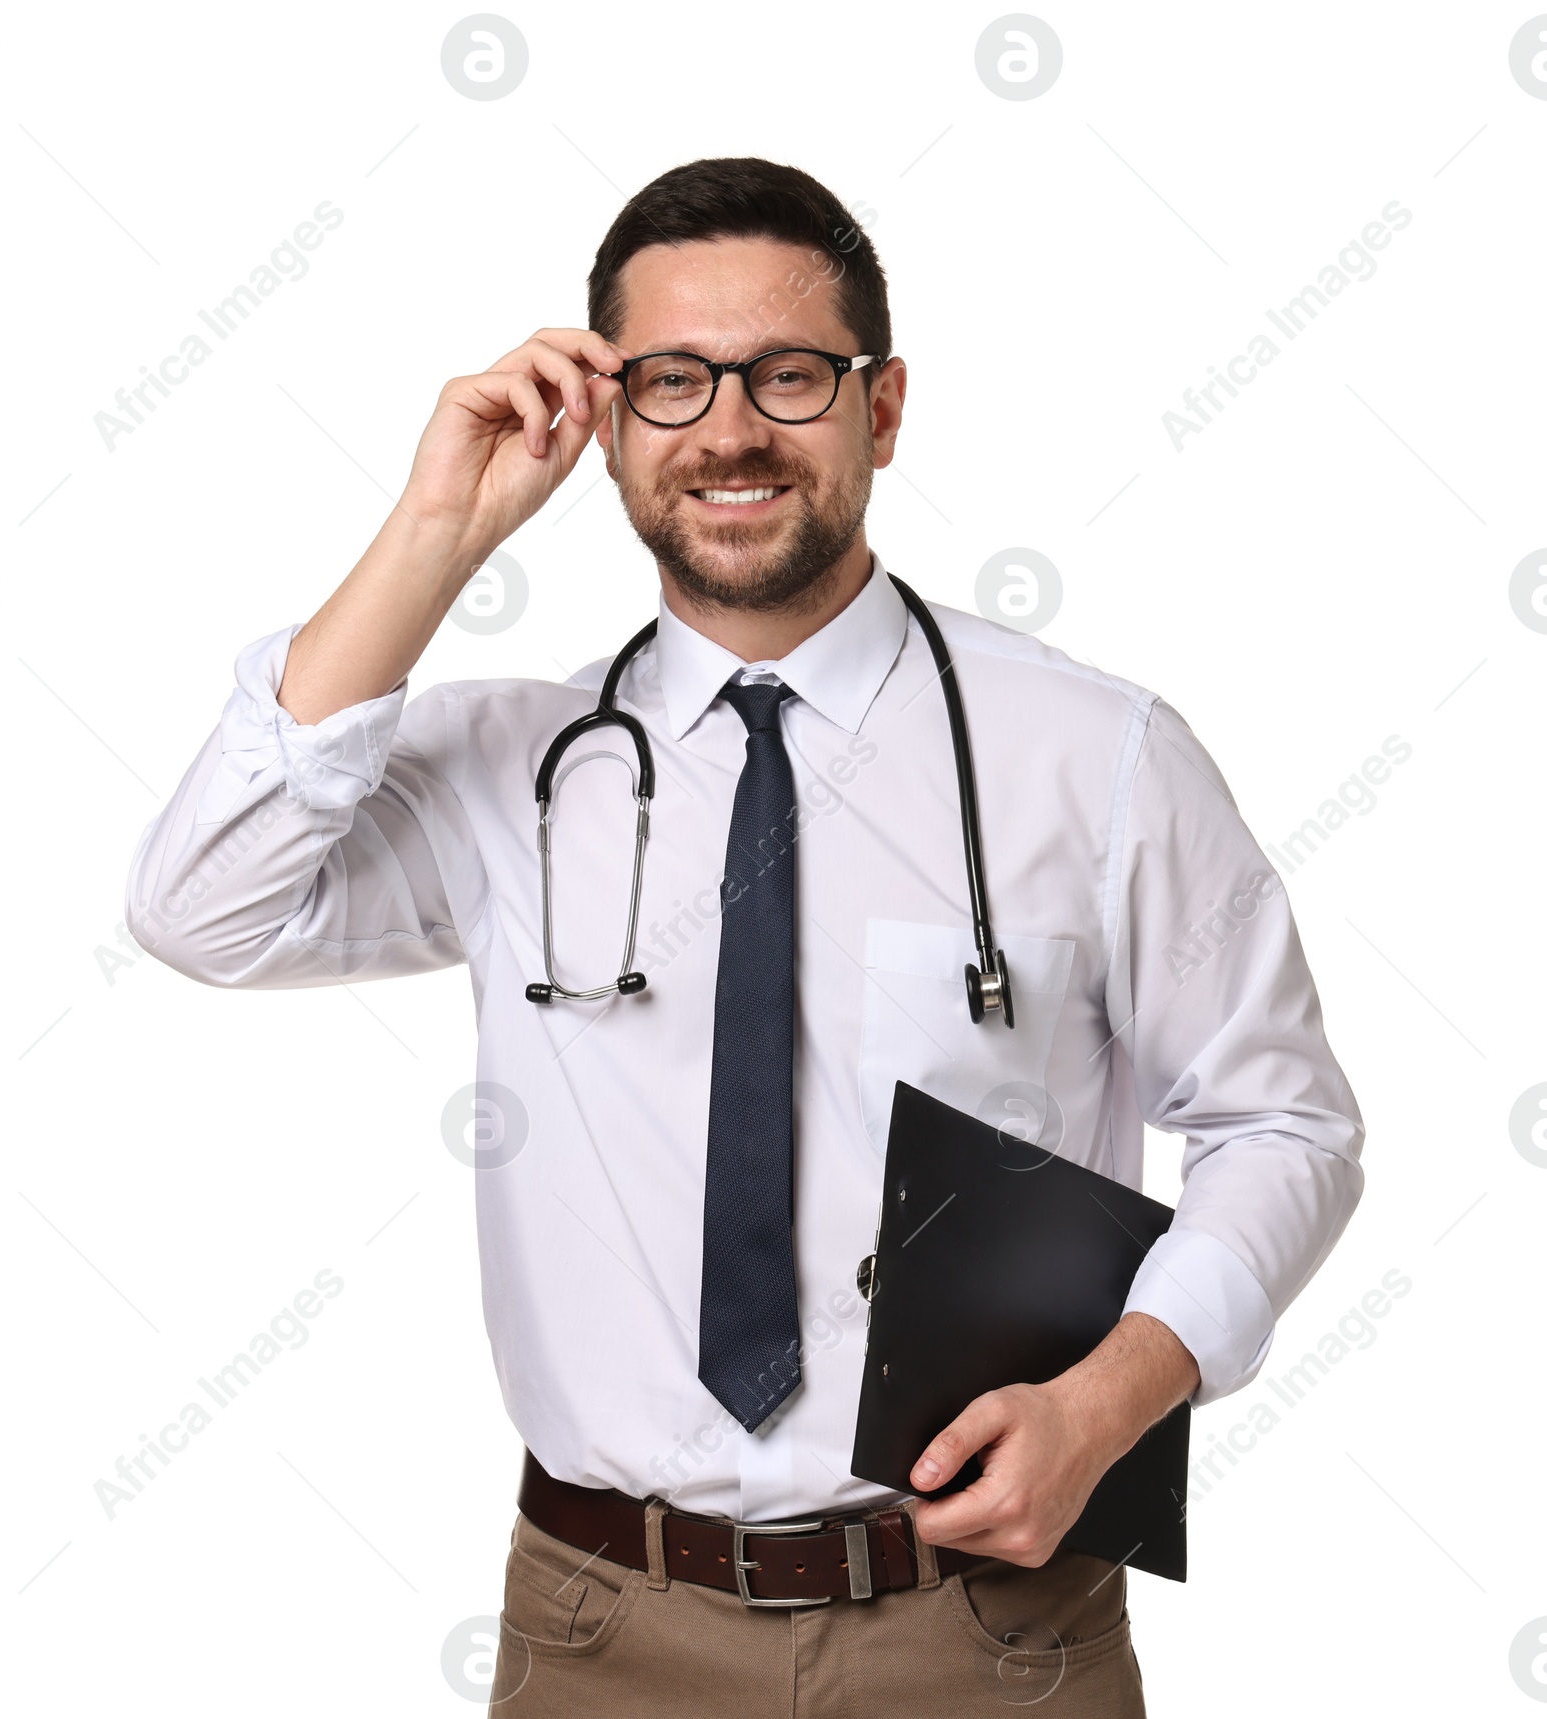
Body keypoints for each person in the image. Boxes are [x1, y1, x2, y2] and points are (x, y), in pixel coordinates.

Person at [126, 156, 1365, 1716]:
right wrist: (440, 528)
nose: (728, 430)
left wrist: (1116, 1400)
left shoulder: (1094, 755)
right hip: (599, 1631)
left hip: (987, 1626)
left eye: (788, 376)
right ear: (608, 422)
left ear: (883, 410)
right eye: (669, 382)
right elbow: (200, 907)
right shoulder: (513, 764)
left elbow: (1284, 1122)